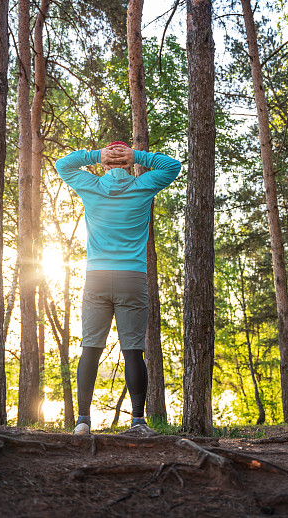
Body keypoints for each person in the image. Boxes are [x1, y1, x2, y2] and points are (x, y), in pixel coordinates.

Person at [55, 141, 181, 434]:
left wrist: (94, 155)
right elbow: (172, 166)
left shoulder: (91, 186)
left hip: (97, 278)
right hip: (132, 278)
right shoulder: (143, 185)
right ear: (129, 164)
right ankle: (137, 421)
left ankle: (82, 421)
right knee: (133, 351)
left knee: (90, 348)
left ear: (104, 164)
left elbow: (63, 164)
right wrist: (138, 155)